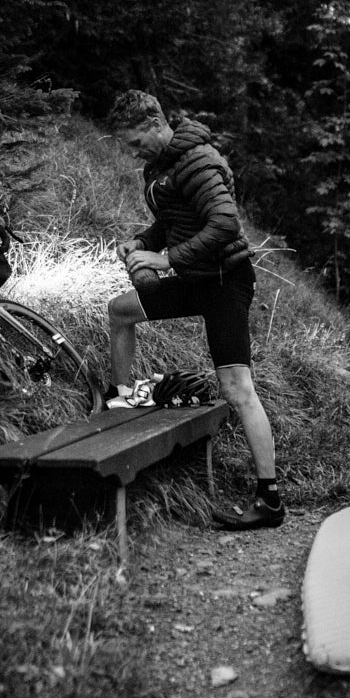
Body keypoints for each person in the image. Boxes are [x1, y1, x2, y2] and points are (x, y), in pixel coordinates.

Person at [104, 90, 284, 531]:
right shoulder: (162, 165)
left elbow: (224, 224)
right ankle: (120, 401)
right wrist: (142, 242)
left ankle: (270, 499)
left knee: (237, 389)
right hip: (195, 277)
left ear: (154, 124)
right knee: (120, 311)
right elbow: (173, 220)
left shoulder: (200, 161)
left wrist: (164, 259)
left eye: (135, 142)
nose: (133, 152)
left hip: (224, 282)